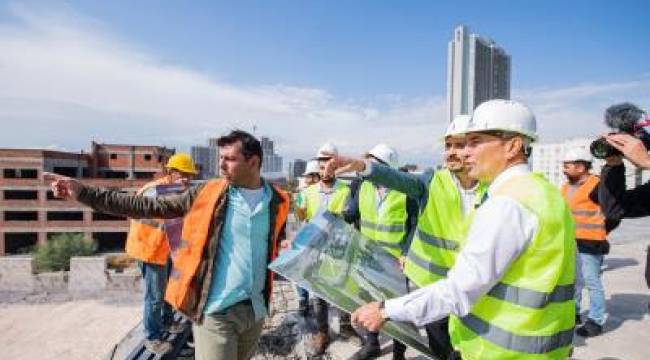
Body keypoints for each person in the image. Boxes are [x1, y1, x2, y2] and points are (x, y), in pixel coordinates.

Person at [330, 99, 576, 360]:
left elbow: (462, 289)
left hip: (496, 345)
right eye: (453, 145)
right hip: (537, 342)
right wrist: (363, 167)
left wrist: (384, 310)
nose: (462, 152)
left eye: (474, 142)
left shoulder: (505, 202)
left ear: (513, 146)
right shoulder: (544, 193)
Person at [47, 130, 290, 360]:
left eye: (230, 159)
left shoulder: (279, 201)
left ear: (253, 162)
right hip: (217, 310)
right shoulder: (207, 193)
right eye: (221, 158)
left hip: (255, 309)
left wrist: (285, 247)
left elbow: (273, 243)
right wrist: (83, 193)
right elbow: (146, 206)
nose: (221, 165)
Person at [324, 115, 487, 360]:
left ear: (477, 148)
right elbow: (398, 179)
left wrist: (404, 252)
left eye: (460, 145)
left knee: (470, 344)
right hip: (430, 281)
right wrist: (362, 167)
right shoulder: (432, 182)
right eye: (448, 145)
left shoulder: (494, 189)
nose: (452, 152)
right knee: (441, 344)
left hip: (473, 285)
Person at [343, 144, 418, 360]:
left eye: (374, 165)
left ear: (387, 168)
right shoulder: (363, 185)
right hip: (368, 256)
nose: (369, 169)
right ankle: (372, 343)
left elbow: (414, 223)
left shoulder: (406, 190)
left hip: (396, 259)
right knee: (370, 300)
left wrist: (406, 252)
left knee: (397, 307)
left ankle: (399, 352)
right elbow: (352, 213)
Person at [128, 153, 198, 354]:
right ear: (170, 172)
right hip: (149, 250)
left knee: (168, 290)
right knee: (155, 296)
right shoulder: (156, 191)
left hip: (163, 249)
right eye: (181, 174)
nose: (186, 178)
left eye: (189, 175)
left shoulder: (174, 189)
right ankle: (153, 337)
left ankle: (167, 322)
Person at [294, 142, 353, 355]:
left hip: (338, 250)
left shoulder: (346, 191)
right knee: (318, 295)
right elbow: (302, 218)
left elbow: (349, 219)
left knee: (343, 290)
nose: (325, 171)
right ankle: (323, 332)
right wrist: (299, 207)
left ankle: (346, 327)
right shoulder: (307, 192)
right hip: (316, 251)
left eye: (329, 165)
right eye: (321, 166)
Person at [561, 147, 618, 337]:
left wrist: (602, 230)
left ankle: (595, 320)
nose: (564, 169)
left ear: (581, 167)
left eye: (567, 166)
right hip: (570, 241)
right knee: (574, 280)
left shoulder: (597, 186)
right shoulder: (566, 187)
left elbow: (613, 214)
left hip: (591, 242)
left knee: (592, 282)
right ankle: (574, 313)